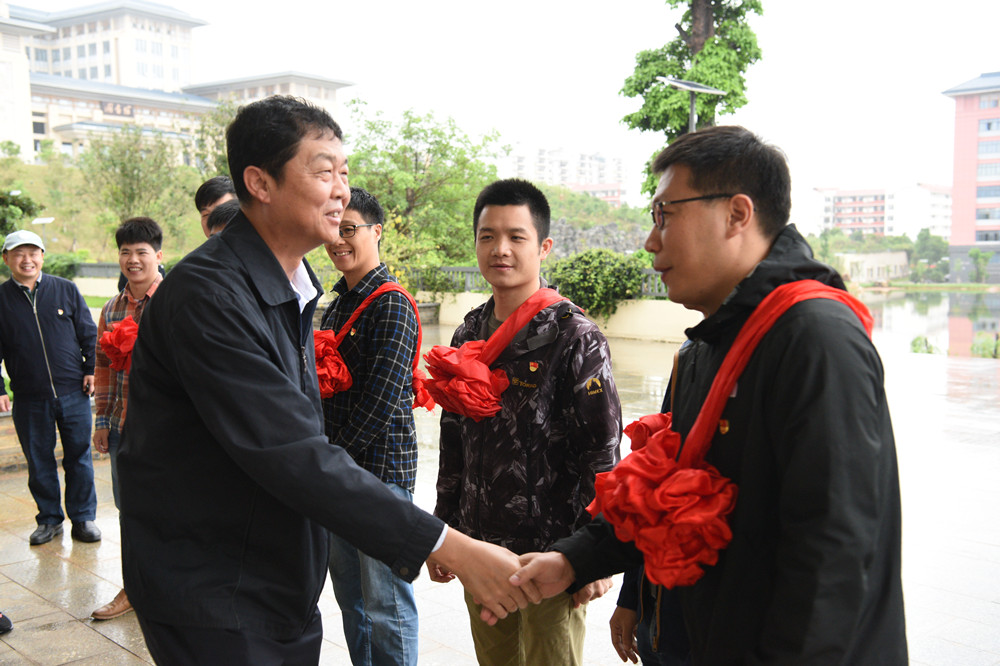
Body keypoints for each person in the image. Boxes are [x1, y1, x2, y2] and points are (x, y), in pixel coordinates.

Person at [116, 95, 538, 664]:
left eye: (344, 172)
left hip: (272, 577)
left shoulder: (292, 285)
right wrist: (452, 548)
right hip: (216, 589)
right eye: (323, 172)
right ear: (260, 183)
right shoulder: (209, 295)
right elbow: (288, 450)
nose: (341, 190)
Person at [508, 126, 908, 665]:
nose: (651, 241)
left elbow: (833, 560)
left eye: (664, 215)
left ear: (737, 214)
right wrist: (573, 561)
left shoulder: (815, 338)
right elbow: (667, 492)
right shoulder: (708, 347)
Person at [429, 178, 622, 666]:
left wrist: (591, 556)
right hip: (480, 549)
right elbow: (454, 439)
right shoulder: (468, 331)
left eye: (516, 237)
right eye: (488, 236)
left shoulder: (574, 336)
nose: (501, 249)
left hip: (551, 556)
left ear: (544, 247)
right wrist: (445, 531)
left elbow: (602, 453)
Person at [320, 187, 421, 665]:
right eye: (333, 230)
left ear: (376, 231)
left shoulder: (391, 303)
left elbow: (380, 402)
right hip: (341, 472)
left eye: (349, 229)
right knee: (352, 598)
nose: (338, 241)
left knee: (386, 601)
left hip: (380, 475)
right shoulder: (338, 302)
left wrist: (330, 459)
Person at [0, 230, 100, 546]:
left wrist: (91, 369)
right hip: (29, 397)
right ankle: (49, 520)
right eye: (19, 253)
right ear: (6, 259)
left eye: (33, 253)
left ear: (42, 256)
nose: (26, 260)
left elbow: (88, 334)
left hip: (74, 392)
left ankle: (83, 518)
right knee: (39, 460)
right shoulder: (1, 299)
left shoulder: (65, 289)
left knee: (79, 458)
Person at [91, 217, 164, 621]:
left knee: (171, 508)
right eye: (125, 252)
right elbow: (103, 367)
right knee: (129, 510)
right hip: (123, 427)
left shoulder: (175, 300)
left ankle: (171, 588)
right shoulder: (112, 308)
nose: (133, 260)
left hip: (168, 431)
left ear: (158, 255)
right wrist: (102, 421)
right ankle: (133, 587)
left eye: (141, 252)